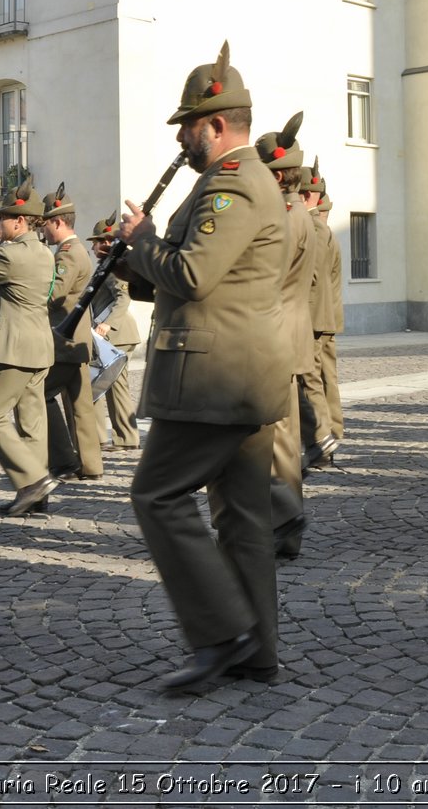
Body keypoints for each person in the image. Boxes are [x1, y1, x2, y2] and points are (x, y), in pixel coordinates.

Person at [118, 42, 290, 693]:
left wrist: (142, 242)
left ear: (216, 124)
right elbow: (193, 274)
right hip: (237, 372)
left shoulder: (234, 185)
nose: (182, 138)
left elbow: (191, 274)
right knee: (241, 517)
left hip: (216, 376)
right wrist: (139, 254)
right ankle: (256, 650)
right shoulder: (230, 182)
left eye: (187, 125)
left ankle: (221, 634)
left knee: (156, 493)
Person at [0, 177, 59, 516]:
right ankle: (36, 493)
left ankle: (32, 481)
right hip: (40, 346)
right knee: (31, 422)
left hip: (15, 346)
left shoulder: (9, 254)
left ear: (19, 221)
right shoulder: (44, 252)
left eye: (1, 218)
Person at [254, 113, 314, 557]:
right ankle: (283, 520)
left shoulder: (281, 216)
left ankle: (285, 518)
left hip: (274, 332)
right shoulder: (299, 212)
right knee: (284, 436)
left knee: (274, 437)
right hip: (292, 332)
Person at [40, 185, 105, 481]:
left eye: (45, 224)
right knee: (80, 406)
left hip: (63, 342)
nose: (44, 230)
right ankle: (90, 465)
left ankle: (63, 460)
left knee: (38, 394)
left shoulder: (67, 255)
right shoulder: (75, 251)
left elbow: (53, 294)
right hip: (77, 341)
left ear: (58, 222)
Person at [300, 159, 344, 467]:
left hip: (313, 316)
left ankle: (322, 439)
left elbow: (311, 278)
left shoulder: (314, 230)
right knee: (325, 378)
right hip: (326, 314)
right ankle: (332, 433)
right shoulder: (324, 230)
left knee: (310, 379)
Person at [87, 214, 141, 452]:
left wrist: (107, 324)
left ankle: (119, 438)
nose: (93, 246)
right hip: (116, 334)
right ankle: (123, 437)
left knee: (107, 386)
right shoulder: (108, 264)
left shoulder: (112, 266)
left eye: (97, 241)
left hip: (116, 334)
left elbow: (123, 297)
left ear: (107, 242)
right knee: (112, 387)